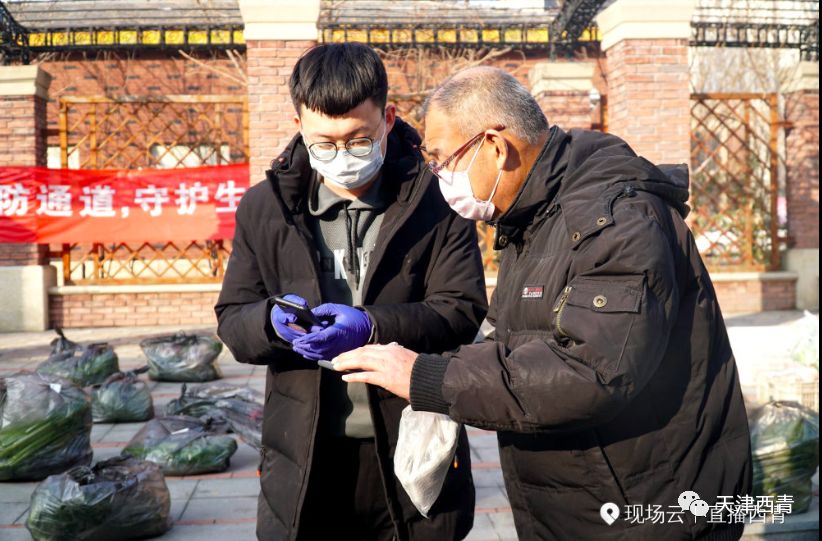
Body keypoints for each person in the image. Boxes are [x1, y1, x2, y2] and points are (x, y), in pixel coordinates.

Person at [333, 67, 753, 540]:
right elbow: (517, 345)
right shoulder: (534, 219)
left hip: (645, 509)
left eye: (442, 160)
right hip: (582, 500)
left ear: (495, 146)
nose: (440, 176)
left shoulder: (613, 221)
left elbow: (589, 373)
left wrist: (428, 378)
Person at [215, 44, 487, 541]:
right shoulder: (266, 208)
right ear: (298, 124)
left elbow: (461, 310)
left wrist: (372, 325)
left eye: (359, 140)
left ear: (388, 119)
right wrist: (269, 322)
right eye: (324, 143)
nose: (342, 157)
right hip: (305, 452)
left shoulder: (437, 201)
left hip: (410, 443)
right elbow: (233, 319)